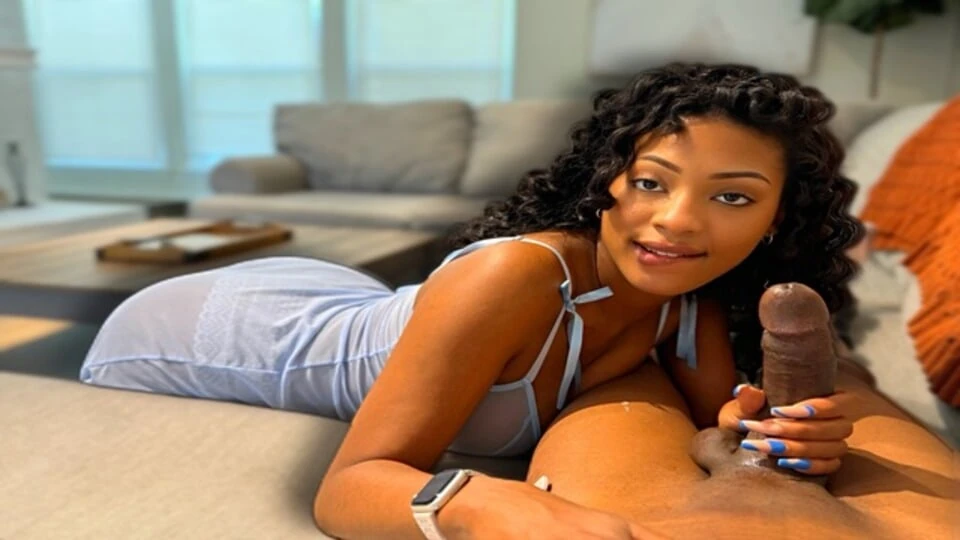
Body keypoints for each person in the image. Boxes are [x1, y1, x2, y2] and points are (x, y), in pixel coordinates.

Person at [80, 63, 863, 539]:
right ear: (605, 179)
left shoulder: (687, 300)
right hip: (204, 334)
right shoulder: (518, 279)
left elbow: (717, 426)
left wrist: (775, 438)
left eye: (732, 197)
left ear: (777, 218)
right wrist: (482, 506)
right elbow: (348, 487)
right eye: (650, 181)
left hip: (347, 299)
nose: (677, 221)